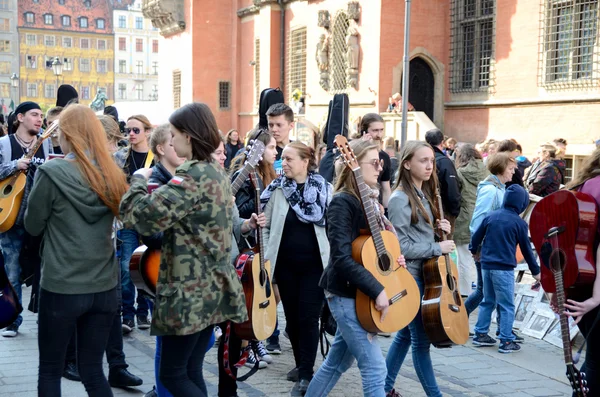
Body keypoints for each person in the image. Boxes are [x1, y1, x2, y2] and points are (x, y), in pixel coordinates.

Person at [120, 102, 247, 397]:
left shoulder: (193, 177)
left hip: (189, 290)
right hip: (209, 286)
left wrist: (138, 181)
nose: (172, 140)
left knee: (173, 375)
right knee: (189, 370)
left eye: (175, 134)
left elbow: (140, 215)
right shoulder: (214, 171)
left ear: (189, 137)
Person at [24, 104, 129, 395]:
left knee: (50, 370)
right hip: (104, 286)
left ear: (67, 134)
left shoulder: (51, 172)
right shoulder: (112, 173)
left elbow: (32, 225)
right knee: (93, 371)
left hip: (63, 285)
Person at [305, 140, 406, 397]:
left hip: (360, 294)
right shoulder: (343, 203)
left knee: (336, 364)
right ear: (354, 166)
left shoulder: (371, 202)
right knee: (375, 368)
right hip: (346, 293)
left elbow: (371, 252)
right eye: (374, 162)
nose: (380, 167)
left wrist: (395, 261)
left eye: (381, 162)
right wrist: (377, 289)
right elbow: (341, 257)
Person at [261, 141, 332, 396]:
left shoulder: (325, 189)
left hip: (316, 267)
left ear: (305, 161)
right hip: (285, 267)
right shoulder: (278, 189)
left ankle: (306, 375)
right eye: (282, 158)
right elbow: (265, 224)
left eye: (289, 158)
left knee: (308, 319)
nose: (284, 163)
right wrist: (269, 253)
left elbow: (333, 226)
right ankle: (300, 363)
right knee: (291, 321)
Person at [384, 140, 452, 397]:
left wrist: (439, 231)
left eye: (431, 161)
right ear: (407, 163)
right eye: (423, 160)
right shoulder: (401, 198)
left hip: (426, 275)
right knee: (421, 343)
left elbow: (419, 237)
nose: (429, 165)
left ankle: (383, 386)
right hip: (412, 278)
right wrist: (438, 248)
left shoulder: (422, 193)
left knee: (405, 336)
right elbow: (399, 247)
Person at [212, 137, 266, 397]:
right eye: (218, 153)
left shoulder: (226, 185)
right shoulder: (195, 186)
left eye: (224, 152)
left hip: (232, 268)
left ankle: (228, 390)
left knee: (232, 332)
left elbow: (236, 226)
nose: (223, 157)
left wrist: (250, 223)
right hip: (207, 272)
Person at [0, 101, 52, 338]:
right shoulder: (4, 143)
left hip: (41, 217)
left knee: (45, 270)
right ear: (19, 117)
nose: (39, 119)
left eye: (41, 115)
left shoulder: (46, 142)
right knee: (11, 269)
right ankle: (13, 319)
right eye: (34, 114)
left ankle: (46, 318)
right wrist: (14, 166)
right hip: (10, 215)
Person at [470, 185, 541, 353]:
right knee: (507, 305)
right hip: (504, 268)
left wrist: (475, 251)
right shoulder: (520, 223)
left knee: (488, 301)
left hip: (486, 266)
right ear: (522, 204)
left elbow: (476, 237)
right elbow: (526, 250)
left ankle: (480, 334)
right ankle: (506, 340)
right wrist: (536, 271)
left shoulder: (491, 216)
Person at [229, 128, 280, 358]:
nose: (276, 151)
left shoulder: (268, 173)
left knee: (269, 292)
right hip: (246, 243)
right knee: (250, 294)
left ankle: (257, 336)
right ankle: (246, 343)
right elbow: (237, 210)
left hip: (264, 240)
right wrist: (264, 202)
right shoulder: (247, 174)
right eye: (271, 147)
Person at [464, 154, 519, 328]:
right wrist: (477, 248)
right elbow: (479, 220)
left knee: (488, 292)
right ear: (502, 169)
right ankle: (459, 321)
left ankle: (502, 330)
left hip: (489, 247)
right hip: (485, 249)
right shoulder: (491, 190)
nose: (513, 172)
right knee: (484, 291)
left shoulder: (499, 188)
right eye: (511, 169)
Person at [563, 150, 600, 395]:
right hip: (594, 292)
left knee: (594, 359)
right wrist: (598, 297)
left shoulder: (587, 185)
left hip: (582, 284)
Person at [114, 115, 155, 333]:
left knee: (147, 265)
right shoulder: (120, 157)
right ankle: (127, 315)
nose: (131, 134)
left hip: (150, 221)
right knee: (127, 266)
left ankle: (142, 312)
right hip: (127, 220)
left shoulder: (156, 157)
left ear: (147, 132)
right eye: (128, 129)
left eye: (136, 130)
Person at [454, 144, 488, 295]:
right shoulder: (487, 171)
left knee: (464, 258)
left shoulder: (459, 173)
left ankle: (467, 292)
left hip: (465, 218)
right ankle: (481, 290)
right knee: (480, 259)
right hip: (484, 217)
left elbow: (456, 197)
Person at [425, 128, 461, 233]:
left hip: (427, 206)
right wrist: (454, 212)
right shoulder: (445, 162)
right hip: (442, 210)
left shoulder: (421, 159)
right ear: (442, 142)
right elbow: (452, 189)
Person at [359, 113, 392, 210]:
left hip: (376, 207)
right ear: (364, 131)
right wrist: (363, 147)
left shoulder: (384, 156)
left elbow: (386, 189)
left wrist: (387, 211)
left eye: (381, 130)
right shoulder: (353, 150)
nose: (379, 135)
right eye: (375, 130)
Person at [266, 103, 294, 175]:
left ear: (291, 125)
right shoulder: (264, 151)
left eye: (279, 125)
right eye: (271, 125)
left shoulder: (299, 150)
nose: (274, 129)